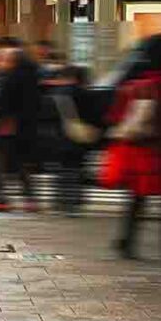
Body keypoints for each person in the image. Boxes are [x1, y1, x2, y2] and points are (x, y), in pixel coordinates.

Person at [102, 34, 161, 269]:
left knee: (137, 198)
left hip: (140, 152)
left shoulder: (134, 87)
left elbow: (115, 117)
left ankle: (127, 241)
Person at [0, 40, 46, 212]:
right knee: (18, 164)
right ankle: (30, 199)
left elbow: (3, 103)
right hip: (22, 128)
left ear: (13, 61)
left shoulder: (9, 79)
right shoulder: (30, 77)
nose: (0, 61)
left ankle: (1, 199)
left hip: (6, 126)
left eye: (4, 58)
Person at [46, 62, 101, 213]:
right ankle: (74, 203)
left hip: (58, 137)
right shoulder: (86, 93)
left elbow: (47, 116)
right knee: (77, 169)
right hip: (79, 137)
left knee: (60, 171)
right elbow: (94, 116)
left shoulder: (55, 93)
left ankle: (59, 202)